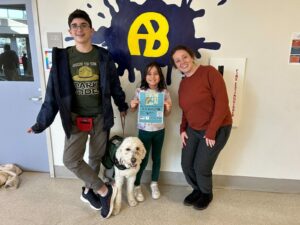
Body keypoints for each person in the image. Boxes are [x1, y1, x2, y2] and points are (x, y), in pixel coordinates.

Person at [27, 9, 128, 219]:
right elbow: (52, 93)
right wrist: (40, 123)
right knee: (71, 159)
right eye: (75, 26)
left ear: (91, 30)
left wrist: (122, 104)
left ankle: (87, 190)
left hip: (100, 116)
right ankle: (103, 190)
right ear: (69, 31)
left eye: (83, 25)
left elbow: (114, 84)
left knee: (95, 157)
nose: (79, 29)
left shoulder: (103, 56)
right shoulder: (63, 58)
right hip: (75, 118)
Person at [170, 45, 232, 210]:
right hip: (193, 129)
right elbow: (186, 110)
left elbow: (222, 104)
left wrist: (211, 132)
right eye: (177, 61)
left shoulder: (209, 73)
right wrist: (183, 130)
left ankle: (206, 193)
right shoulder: (183, 84)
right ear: (176, 66)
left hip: (217, 128)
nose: (182, 62)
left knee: (201, 167)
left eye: (184, 57)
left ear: (191, 56)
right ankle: (197, 190)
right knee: (186, 164)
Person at [130, 62, 172, 201]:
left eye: (155, 74)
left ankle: (154, 183)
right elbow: (133, 110)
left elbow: (167, 115)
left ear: (160, 76)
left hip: (159, 130)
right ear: (145, 76)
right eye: (149, 73)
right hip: (144, 131)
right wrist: (133, 104)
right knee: (142, 158)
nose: (152, 77)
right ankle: (136, 185)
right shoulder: (140, 91)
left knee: (157, 158)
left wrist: (168, 107)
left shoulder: (164, 92)